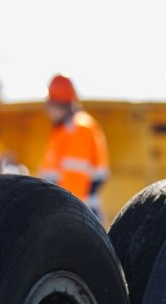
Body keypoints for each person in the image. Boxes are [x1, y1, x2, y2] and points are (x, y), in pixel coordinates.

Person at [38, 74, 110, 222]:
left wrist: (67, 217)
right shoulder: (64, 130)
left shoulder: (77, 130)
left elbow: (75, 182)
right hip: (76, 213)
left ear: (57, 105)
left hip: (80, 216)